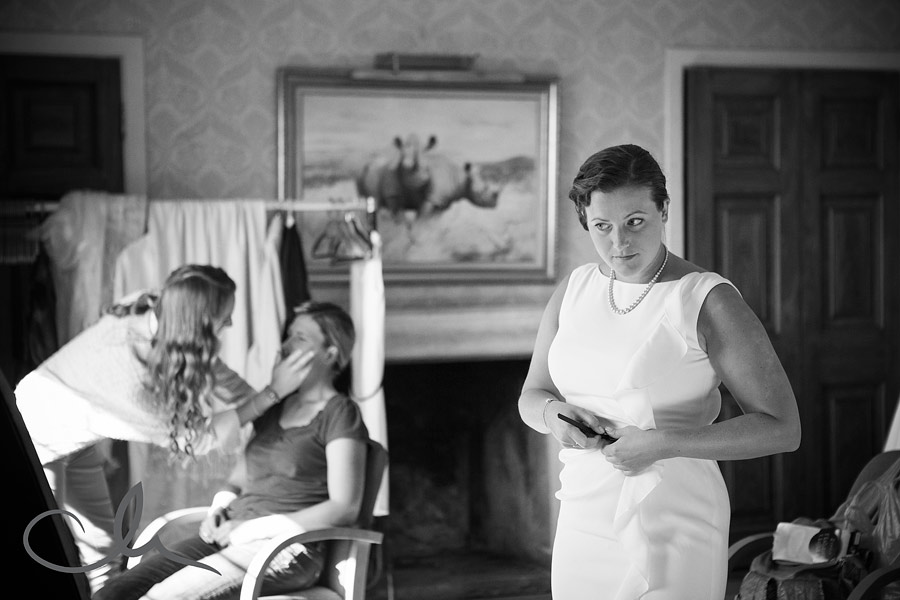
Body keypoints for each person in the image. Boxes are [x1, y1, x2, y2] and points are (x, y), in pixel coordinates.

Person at [517, 143, 801, 599]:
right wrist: (553, 416)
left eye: (635, 221)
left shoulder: (708, 299)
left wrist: (663, 444)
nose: (619, 243)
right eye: (602, 226)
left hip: (675, 518)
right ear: (585, 220)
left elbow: (783, 429)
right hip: (582, 513)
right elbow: (532, 395)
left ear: (664, 209)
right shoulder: (574, 289)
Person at [15, 264, 314, 593]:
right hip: (35, 436)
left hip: (74, 434)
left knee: (102, 551)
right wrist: (271, 394)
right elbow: (197, 439)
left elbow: (210, 365)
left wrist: (267, 404)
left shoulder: (156, 309)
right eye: (224, 317)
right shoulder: (133, 378)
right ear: (198, 321)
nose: (230, 323)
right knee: (47, 552)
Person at [93, 301, 369, 600]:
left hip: (285, 547)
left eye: (300, 338)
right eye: (288, 335)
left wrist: (251, 529)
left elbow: (344, 508)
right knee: (113, 592)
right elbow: (237, 481)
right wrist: (218, 509)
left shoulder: (340, 413)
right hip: (231, 535)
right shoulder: (273, 410)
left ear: (330, 354)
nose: (286, 345)